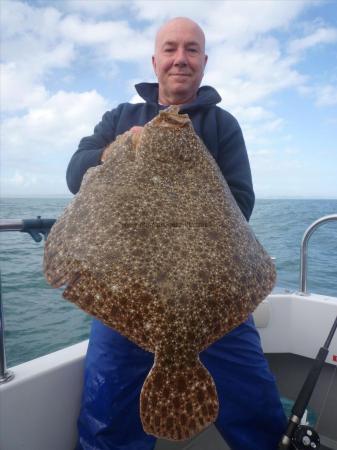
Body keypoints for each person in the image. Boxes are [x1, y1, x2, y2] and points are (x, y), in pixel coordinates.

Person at [68, 17, 287, 450]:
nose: (180, 59)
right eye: (171, 49)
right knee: (107, 417)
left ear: (203, 63)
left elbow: (240, 202)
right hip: (129, 288)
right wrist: (117, 151)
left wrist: (187, 185)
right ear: (155, 61)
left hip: (212, 294)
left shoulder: (222, 125)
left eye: (191, 50)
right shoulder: (121, 118)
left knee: (257, 405)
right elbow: (77, 173)